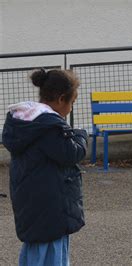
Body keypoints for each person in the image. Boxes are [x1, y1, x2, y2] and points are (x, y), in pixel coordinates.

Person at [2, 68, 88, 265]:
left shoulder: (26, 122)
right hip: (51, 205)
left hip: (32, 202)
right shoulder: (49, 127)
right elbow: (71, 153)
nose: (72, 108)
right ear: (60, 99)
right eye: (72, 102)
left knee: (36, 250)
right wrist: (81, 135)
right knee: (52, 252)